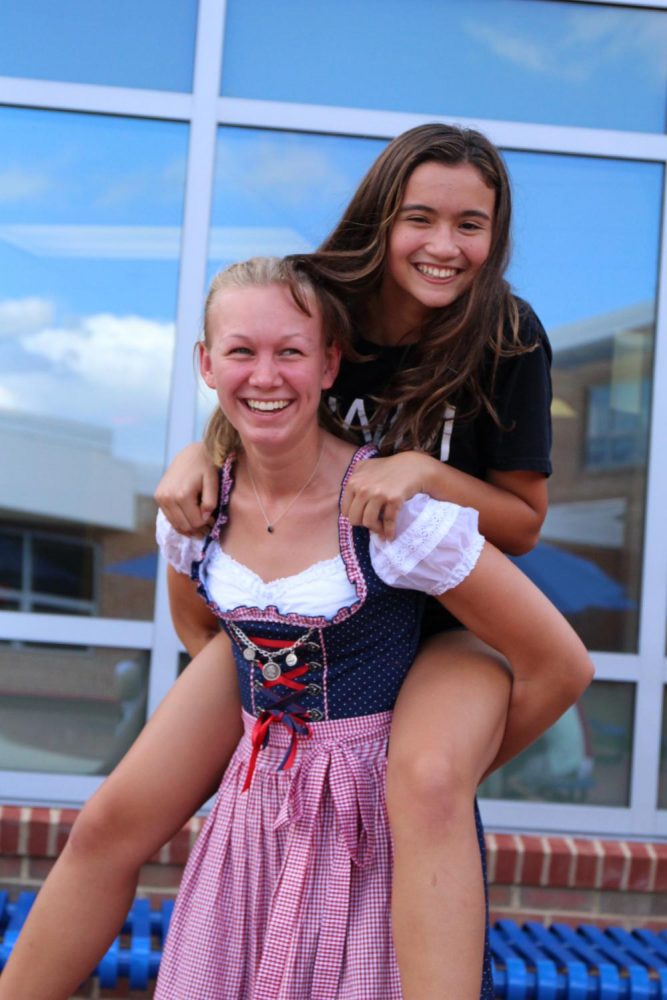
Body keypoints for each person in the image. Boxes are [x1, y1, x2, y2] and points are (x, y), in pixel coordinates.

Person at [0, 258, 593, 1000]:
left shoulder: (392, 511)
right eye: (242, 352)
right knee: (103, 828)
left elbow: (560, 665)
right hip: (265, 785)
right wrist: (268, 736)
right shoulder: (196, 504)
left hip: (369, 799)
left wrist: (431, 775)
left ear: (328, 363)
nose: (266, 375)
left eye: (290, 352)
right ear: (206, 365)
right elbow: (203, 633)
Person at [155, 124, 554, 996]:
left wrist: (423, 472)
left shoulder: (508, 335)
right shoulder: (319, 292)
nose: (444, 247)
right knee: (119, 813)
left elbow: (522, 523)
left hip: (445, 626)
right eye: (420, 218)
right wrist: (196, 455)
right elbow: (253, 388)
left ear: (496, 233)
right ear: (382, 215)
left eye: (471, 225)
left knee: (428, 780)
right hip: (306, 624)